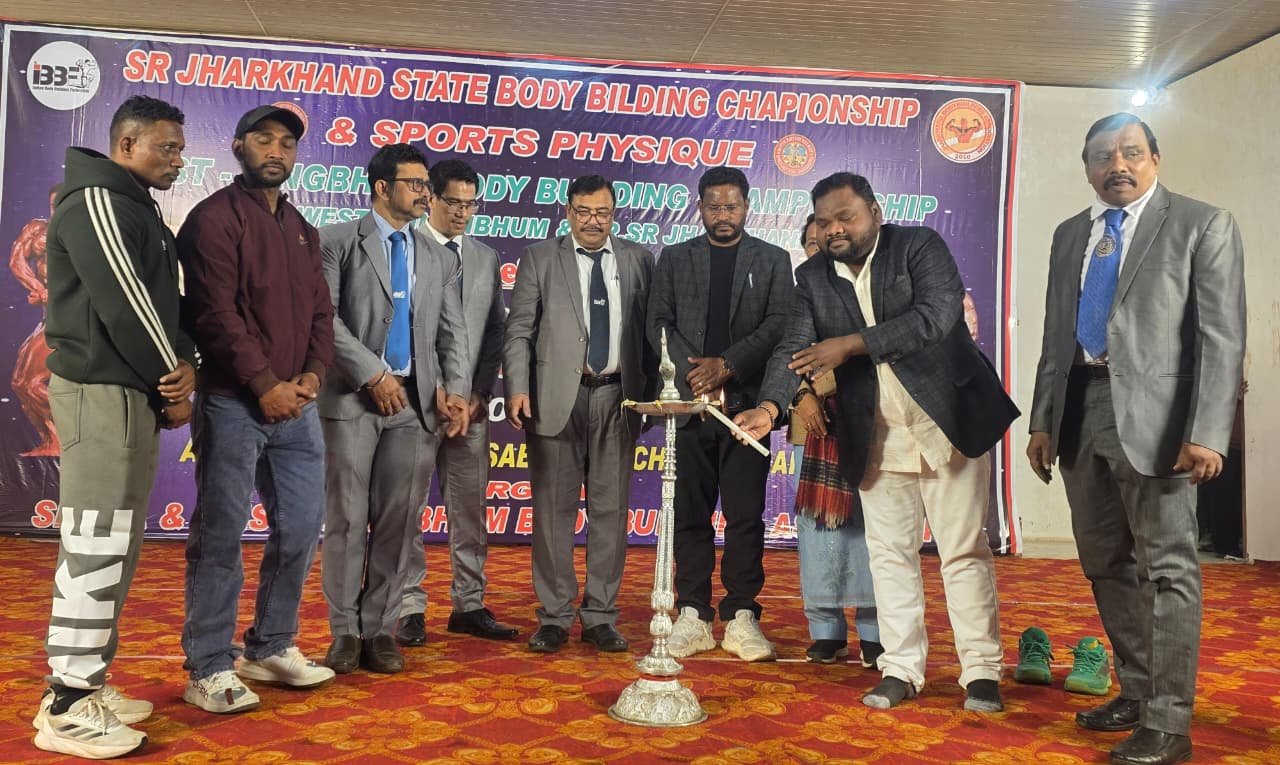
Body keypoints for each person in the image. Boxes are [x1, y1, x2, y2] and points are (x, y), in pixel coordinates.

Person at [737, 171, 1018, 712]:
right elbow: (794, 346)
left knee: (963, 551)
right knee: (889, 555)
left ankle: (981, 671)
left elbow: (935, 318)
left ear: (875, 212)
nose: (835, 229)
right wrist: (769, 408)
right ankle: (901, 667)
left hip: (947, 421)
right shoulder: (813, 276)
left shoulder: (918, 247)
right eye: (824, 221)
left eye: (846, 216)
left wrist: (849, 345)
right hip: (876, 432)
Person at [1027, 112, 1245, 765]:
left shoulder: (1202, 224)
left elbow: (1221, 336)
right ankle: (1139, 690)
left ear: (1155, 158)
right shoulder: (1071, 233)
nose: (1116, 165)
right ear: (1086, 167)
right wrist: (1042, 419)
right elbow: (1055, 334)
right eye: (1102, 156)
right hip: (1079, 412)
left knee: (1168, 567)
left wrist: (1207, 431)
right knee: (1104, 561)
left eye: (1130, 152)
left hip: (1162, 422)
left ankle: (1169, 723)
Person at [34, 95, 195, 759]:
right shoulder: (97, 199)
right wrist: (173, 374)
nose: (178, 160)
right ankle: (67, 706)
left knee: (115, 543)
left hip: (127, 391)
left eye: (181, 148)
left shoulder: (136, 205)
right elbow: (124, 301)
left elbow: (162, 300)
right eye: (167, 147)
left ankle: (86, 683)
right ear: (126, 144)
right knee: (95, 543)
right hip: (99, 390)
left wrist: (182, 363)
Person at [177, 105, 336, 714]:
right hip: (233, 402)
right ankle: (208, 665)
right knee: (220, 534)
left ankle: (269, 646)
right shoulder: (213, 218)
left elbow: (321, 312)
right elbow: (214, 315)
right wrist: (265, 384)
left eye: (287, 143)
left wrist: (313, 375)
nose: (276, 150)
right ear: (239, 146)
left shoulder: (300, 226)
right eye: (264, 139)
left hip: (298, 405)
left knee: (301, 526)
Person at [317, 144, 471, 675]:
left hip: (416, 406)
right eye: (415, 183)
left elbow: (452, 331)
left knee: (399, 521)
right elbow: (324, 319)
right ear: (383, 188)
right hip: (352, 399)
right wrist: (373, 374)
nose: (426, 192)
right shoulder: (337, 240)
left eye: (426, 184)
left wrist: (455, 388)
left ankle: (380, 629)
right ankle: (344, 631)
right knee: (346, 518)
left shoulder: (438, 255)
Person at [504, 174, 656, 654]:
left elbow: (651, 334)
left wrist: (653, 395)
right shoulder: (539, 258)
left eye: (602, 212)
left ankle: (600, 616)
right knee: (553, 512)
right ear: (568, 212)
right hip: (555, 399)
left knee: (610, 512)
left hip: (617, 398)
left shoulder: (638, 259)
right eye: (584, 211)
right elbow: (519, 330)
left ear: (614, 215)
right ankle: (553, 617)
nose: (593, 221)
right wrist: (517, 387)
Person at [646, 166, 793, 662]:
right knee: (689, 515)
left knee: (746, 515)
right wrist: (699, 378)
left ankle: (742, 614)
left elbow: (779, 326)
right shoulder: (675, 258)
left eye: (731, 206)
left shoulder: (772, 260)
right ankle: (692, 613)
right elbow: (658, 323)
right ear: (700, 208)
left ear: (747, 207)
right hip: (690, 409)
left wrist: (727, 366)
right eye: (713, 206)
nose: (722, 215)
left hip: (747, 411)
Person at [396, 159, 518, 646]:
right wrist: (433, 390)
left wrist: (479, 394)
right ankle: (409, 606)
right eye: (454, 203)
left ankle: (469, 603)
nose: (463, 213)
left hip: (469, 409)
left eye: (471, 204)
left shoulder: (485, 257)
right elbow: (399, 328)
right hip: (416, 404)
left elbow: (495, 331)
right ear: (431, 198)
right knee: (405, 508)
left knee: (470, 509)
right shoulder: (405, 248)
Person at [787, 214, 881, 668]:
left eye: (822, 239)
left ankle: (875, 632)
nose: (818, 246)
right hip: (814, 426)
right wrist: (801, 395)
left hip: (868, 418)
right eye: (810, 242)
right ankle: (825, 630)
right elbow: (784, 353)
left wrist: (828, 385)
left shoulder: (867, 290)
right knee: (818, 527)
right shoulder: (797, 294)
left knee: (869, 526)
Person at [9, 185, 61, 456]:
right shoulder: (37, 229)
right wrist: (38, 289)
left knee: (33, 384)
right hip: (48, 315)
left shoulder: (88, 234)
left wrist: (57, 294)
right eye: (54, 205)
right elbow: (17, 260)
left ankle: (76, 435)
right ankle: (52, 441)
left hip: (72, 319)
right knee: (20, 383)